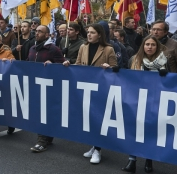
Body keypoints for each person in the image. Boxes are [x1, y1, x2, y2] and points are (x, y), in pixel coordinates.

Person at [65, 23, 117, 162]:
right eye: (88, 32)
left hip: (101, 89)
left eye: (92, 32)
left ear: (99, 34)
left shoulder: (108, 49)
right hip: (86, 87)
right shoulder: (83, 47)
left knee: (99, 119)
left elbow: (116, 69)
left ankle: (98, 150)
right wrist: (69, 64)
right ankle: (93, 146)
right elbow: (78, 65)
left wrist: (109, 67)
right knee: (89, 119)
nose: (89, 34)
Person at [121, 35, 169, 173]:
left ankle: (149, 159)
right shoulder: (135, 60)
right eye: (147, 44)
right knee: (135, 130)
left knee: (150, 131)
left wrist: (165, 75)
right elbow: (127, 79)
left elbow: (171, 83)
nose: (149, 47)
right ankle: (132, 160)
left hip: (155, 100)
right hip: (137, 100)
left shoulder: (164, 62)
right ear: (143, 46)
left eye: (153, 45)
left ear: (157, 47)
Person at [29, 25, 65, 153]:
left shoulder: (53, 49)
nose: (36, 33)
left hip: (49, 88)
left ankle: (41, 141)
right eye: (36, 31)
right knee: (40, 113)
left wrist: (53, 65)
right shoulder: (32, 48)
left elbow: (63, 65)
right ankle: (47, 137)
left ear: (47, 35)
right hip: (35, 85)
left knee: (43, 114)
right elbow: (28, 64)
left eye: (40, 31)